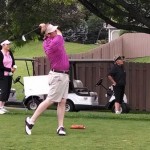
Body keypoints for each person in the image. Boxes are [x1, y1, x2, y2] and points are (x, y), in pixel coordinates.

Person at [25, 23, 70, 136]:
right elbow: (60, 33)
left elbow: (54, 33)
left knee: (62, 101)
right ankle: (31, 121)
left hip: (62, 75)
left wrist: (45, 28)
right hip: (58, 76)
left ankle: (60, 127)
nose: (56, 31)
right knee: (50, 100)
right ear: (50, 34)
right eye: (53, 31)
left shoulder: (46, 42)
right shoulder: (56, 41)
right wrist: (47, 25)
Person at [0, 40, 17, 114]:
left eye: (9, 44)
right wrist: (9, 69)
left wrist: (13, 67)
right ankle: (0, 107)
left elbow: (13, 62)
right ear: (3, 45)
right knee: (3, 91)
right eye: (7, 44)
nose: (9, 45)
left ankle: (3, 106)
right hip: (2, 75)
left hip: (9, 74)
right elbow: (0, 66)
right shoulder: (0, 53)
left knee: (7, 90)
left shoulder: (10, 53)